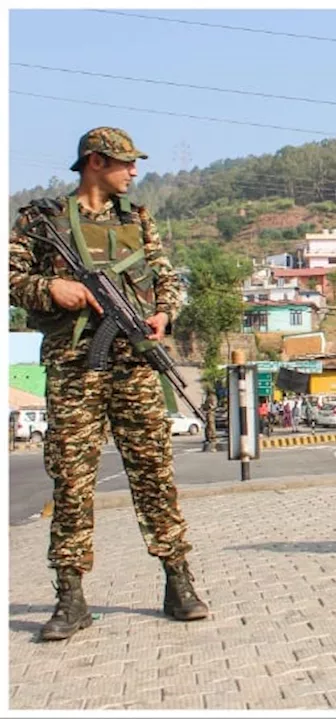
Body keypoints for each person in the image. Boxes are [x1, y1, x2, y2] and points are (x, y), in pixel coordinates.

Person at [8, 127, 209, 641]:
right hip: (75, 364)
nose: (134, 172)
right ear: (95, 162)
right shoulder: (40, 222)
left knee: (154, 473)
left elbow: (166, 278)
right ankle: (70, 597)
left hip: (134, 363)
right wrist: (53, 287)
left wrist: (164, 314)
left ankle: (178, 581)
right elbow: (11, 279)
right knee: (72, 481)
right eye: (126, 163)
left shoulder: (137, 219)